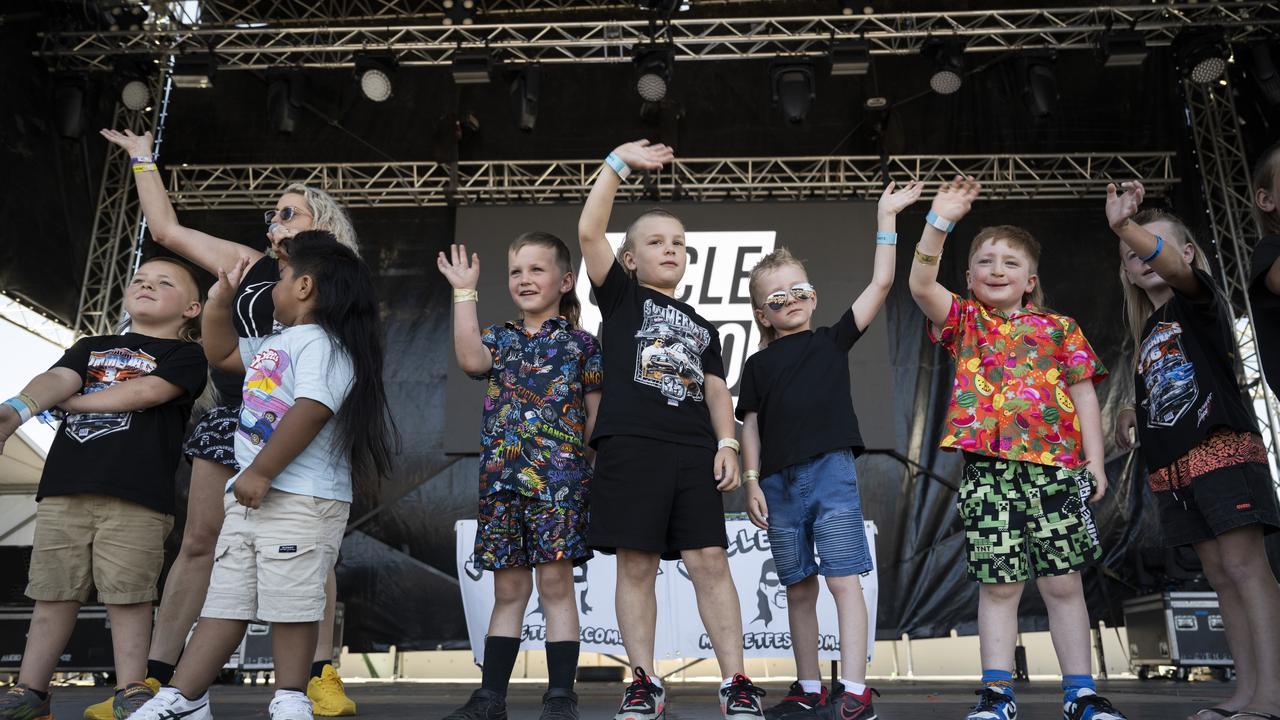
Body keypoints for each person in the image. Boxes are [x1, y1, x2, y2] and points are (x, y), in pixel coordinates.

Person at [96, 128, 359, 717]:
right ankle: (164, 682)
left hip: (296, 423)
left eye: (288, 210)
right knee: (203, 543)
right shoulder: (249, 263)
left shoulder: (335, 285)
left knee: (306, 551)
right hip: (236, 414)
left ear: (322, 222)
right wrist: (143, 160)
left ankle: (314, 675)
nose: (275, 219)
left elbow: (327, 388)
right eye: (272, 212)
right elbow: (166, 231)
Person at [125, 232, 395, 720]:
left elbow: (311, 409)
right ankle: (184, 697)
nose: (274, 286)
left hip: (299, 497)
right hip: (253, 496)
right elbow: (221, 353)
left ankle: (291, 697)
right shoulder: (278, 341)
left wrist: (262, 470)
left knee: (291, 603)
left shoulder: (324, 344)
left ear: (306, 286)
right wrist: (217, 304)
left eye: (283, 276)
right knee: (225, 601)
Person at [908, 176, 1127, 720]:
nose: (997, 269)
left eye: (1010, 262)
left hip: (1055, 471)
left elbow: (1083, 398)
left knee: (1062, 581)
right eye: (985, 261)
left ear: (1030, 280)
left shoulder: (1060, 328)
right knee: (1000, 585)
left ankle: (1080, 692)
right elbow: (919, 285)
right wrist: (939, 222)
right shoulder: (964, 322)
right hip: (988, 473)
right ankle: (996, 693)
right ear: (968, 277)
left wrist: (1095, 461)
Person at [578, 139, 765, 720]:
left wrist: (729, 443)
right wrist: (615, 163)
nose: (671, 249)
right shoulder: (621, 296)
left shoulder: (704, 324)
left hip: (693, 449)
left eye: (679, 243)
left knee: (710, 560)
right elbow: (588, 232)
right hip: (631, 445)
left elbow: (715, 389)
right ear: (629, 259)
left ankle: (736, 680)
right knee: (635, 562)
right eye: (655, 241)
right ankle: (643, 681)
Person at [741, 181, 922, 720]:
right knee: (797, 587)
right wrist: (751, 481)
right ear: (762, 315)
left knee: (844, 580)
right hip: (777, 483)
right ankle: (808, 686)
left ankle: (855, 690)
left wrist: (885, 216)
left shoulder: (831, 339)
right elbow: (749, 424)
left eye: (800, 290)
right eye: (777, 299)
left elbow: (883, 281)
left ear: (814, 297)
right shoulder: (755, 366)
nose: (791, 301)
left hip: (831, 473)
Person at [0, 258, 207, 720]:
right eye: (139, 279)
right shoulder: (91, 346)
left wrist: (73, 402)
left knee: (129, 596)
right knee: (52, 593)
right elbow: (56, 378)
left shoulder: (186, 356)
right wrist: (18, 410)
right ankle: (31, 691)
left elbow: (144, 393)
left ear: (191, 308)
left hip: (136, 496)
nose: (147, 285)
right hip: (64, 490)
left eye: (163, 282)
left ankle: (132, 686)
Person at [1110, 181, 1280, 720]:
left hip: (1223, 452)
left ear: (1185, 254)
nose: (1143, 257)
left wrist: (1124, 226)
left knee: (1246, 568)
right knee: (1220, 575)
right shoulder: (1149, 330)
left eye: (1151, 246)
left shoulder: (1197, 298)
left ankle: (1272, 695)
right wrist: (1133, 411)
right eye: (1132, 254)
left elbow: (1178, 273)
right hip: (1175, 472)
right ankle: (1247, 692)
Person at [436, 232, 602, 720]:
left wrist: (577, 468)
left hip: (560, 485)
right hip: (502, 484)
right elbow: (469, 358)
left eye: (537, 269)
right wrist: (464, 291)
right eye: (515, 271)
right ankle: (491, 697)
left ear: (565, 280)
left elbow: (596, 418)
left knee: (555, 586)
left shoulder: (582, 345)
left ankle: (559, 697)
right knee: (508, 591)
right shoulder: (499, 338)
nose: (525, 279)